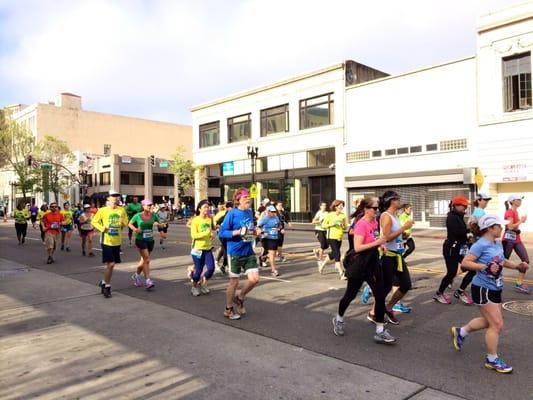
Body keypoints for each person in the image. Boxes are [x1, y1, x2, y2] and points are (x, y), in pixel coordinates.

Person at [451, 215, 528, 373]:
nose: (502, 228)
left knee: (489, 322)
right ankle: (491, 359)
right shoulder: (480, 245)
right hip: (483, 289)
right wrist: (483, 267)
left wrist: (517, 266)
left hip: (495, 288)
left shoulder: (497, 242)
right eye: (500, 226)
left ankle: (461, 331)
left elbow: (501, 260)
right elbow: (465, 263)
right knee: (497, 325)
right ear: (490, 228)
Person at [332, 197, 395, 344]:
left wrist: (379, 245)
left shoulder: (373, 222)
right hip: (360, 264)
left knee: (380, 295)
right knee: (350, 295)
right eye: (374, 208)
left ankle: (380, 330)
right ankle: (339, 318)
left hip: (373, 264)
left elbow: (372, 240)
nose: (377, 210)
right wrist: (377, 242)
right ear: (366, 209)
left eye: (377, 208)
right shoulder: (360, 225)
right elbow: (358, 247)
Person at [219, 188, 260, 320]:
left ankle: (240, 297)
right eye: (245, 198)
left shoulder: (249, 212)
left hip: (247, 250)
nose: (248, 199)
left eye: (249, 197)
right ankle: (228, 309)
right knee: (234, 282)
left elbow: (249, 230)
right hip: (235, 252)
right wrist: (236, 232)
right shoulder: (232, 214)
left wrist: (255, 232)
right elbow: (222, 233)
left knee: (254, 279)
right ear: (238, 201)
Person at [378, 191, 415, 325]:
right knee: (386, 287)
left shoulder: (395, 216)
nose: (399, 201)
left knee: (406, 284)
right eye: (397, 199)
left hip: (398, 256)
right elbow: (387, 237)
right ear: (391, 201)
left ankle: (388, 307)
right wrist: (404, 227)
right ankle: (377, 314)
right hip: (388, 257)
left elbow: (396, 236)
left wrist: (404, 234)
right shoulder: (386, 216)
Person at [434, 196, 473, 305]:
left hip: (460, 248)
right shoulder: (451, 217)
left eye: (466, 206)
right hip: (451, 248)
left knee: (473, 268)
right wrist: (468, 233)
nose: (465, 208)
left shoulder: (459, 216)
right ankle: (439, 293)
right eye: (463, 206)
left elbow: (463, 231)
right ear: (455, 205)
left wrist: (469, 232)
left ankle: (460, 291)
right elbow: (458, 232)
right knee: (451, 273)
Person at [92, 194, 128, 298]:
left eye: (117, 197)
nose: (115, 199)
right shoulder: (103, 210)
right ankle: (107, 287)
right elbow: (94, 221)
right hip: (106, 241)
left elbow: (125, 221)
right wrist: (102, 228)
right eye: (113, 197)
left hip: (117, 241)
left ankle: (104, 282)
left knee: (111, 265)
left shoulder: (121, 210)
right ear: (108, 199)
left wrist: (122, 223)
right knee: (111, 264)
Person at [129, 199, 161, 290]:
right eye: (148, 205)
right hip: (140, 240)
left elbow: (160, 224)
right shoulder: (137, 216)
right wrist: (135, 230)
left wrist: (161, 227)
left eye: (151, 205)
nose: (150, 206)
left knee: (143, 260)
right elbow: (130, 224)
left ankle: (136, 275)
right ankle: (148, 281)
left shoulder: (154, 215)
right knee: (147, 259)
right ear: (143, 206)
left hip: (150, 240)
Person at [502, 194, 530, 294]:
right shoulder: (509, 212)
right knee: (502, 261)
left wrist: (520, 223)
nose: (520, 201)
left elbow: (515, 227)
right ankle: (492, 279)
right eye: (518, 199)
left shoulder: (516, 212)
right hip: (508, 240)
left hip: (516, 239)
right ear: (513, 201)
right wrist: (521, 221)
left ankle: (519, 284)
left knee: (526, 260)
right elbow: (510, 227)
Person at [189, 199, 216, 296]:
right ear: (199, 209)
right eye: (205, 207)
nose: (206, 209)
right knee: (198, 271)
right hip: (197, 249)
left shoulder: (209, 219)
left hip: (208, 248)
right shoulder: (195, 220)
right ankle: (194, 286)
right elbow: (194, 235)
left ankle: (203, 283)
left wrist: (211, 235)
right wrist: (206, 233)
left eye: (208, 207)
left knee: (211, 268)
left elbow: (210, 231)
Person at [318, 200, 348, 279]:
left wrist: (342, 225)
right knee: (337, 254)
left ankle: (322, 265)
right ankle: (341, 273)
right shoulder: (330, 215)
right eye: (339, 205)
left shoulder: (343, 215)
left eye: (342, 206)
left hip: (339, 237)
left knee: (333, 254)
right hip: (331, 237)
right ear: (335, 206)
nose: (341, 207)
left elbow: (345, 227)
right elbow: (323, 225)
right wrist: (332, 224)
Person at [258, 205, 282, 277]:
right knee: (272, 254)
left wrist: (279, 228)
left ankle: (263, 257)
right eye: (272, 212)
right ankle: (273, 270)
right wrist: (262, 231)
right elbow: (258, 226)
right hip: (267, 238)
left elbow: (279, 225)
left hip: (275, 237)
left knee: (273, 253)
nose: (273, 213)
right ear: (268, 212)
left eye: (274, 211)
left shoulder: (276, 218)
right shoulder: (265, 219)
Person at [214, 201, 233, 274]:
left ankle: (223, 264)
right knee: (226, 248)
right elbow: (216, 223)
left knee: (224, 248)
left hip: (229, 234)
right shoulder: (224, 214)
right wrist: (221, 227)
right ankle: (224, 264)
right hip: (223, 234)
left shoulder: (232, 213)